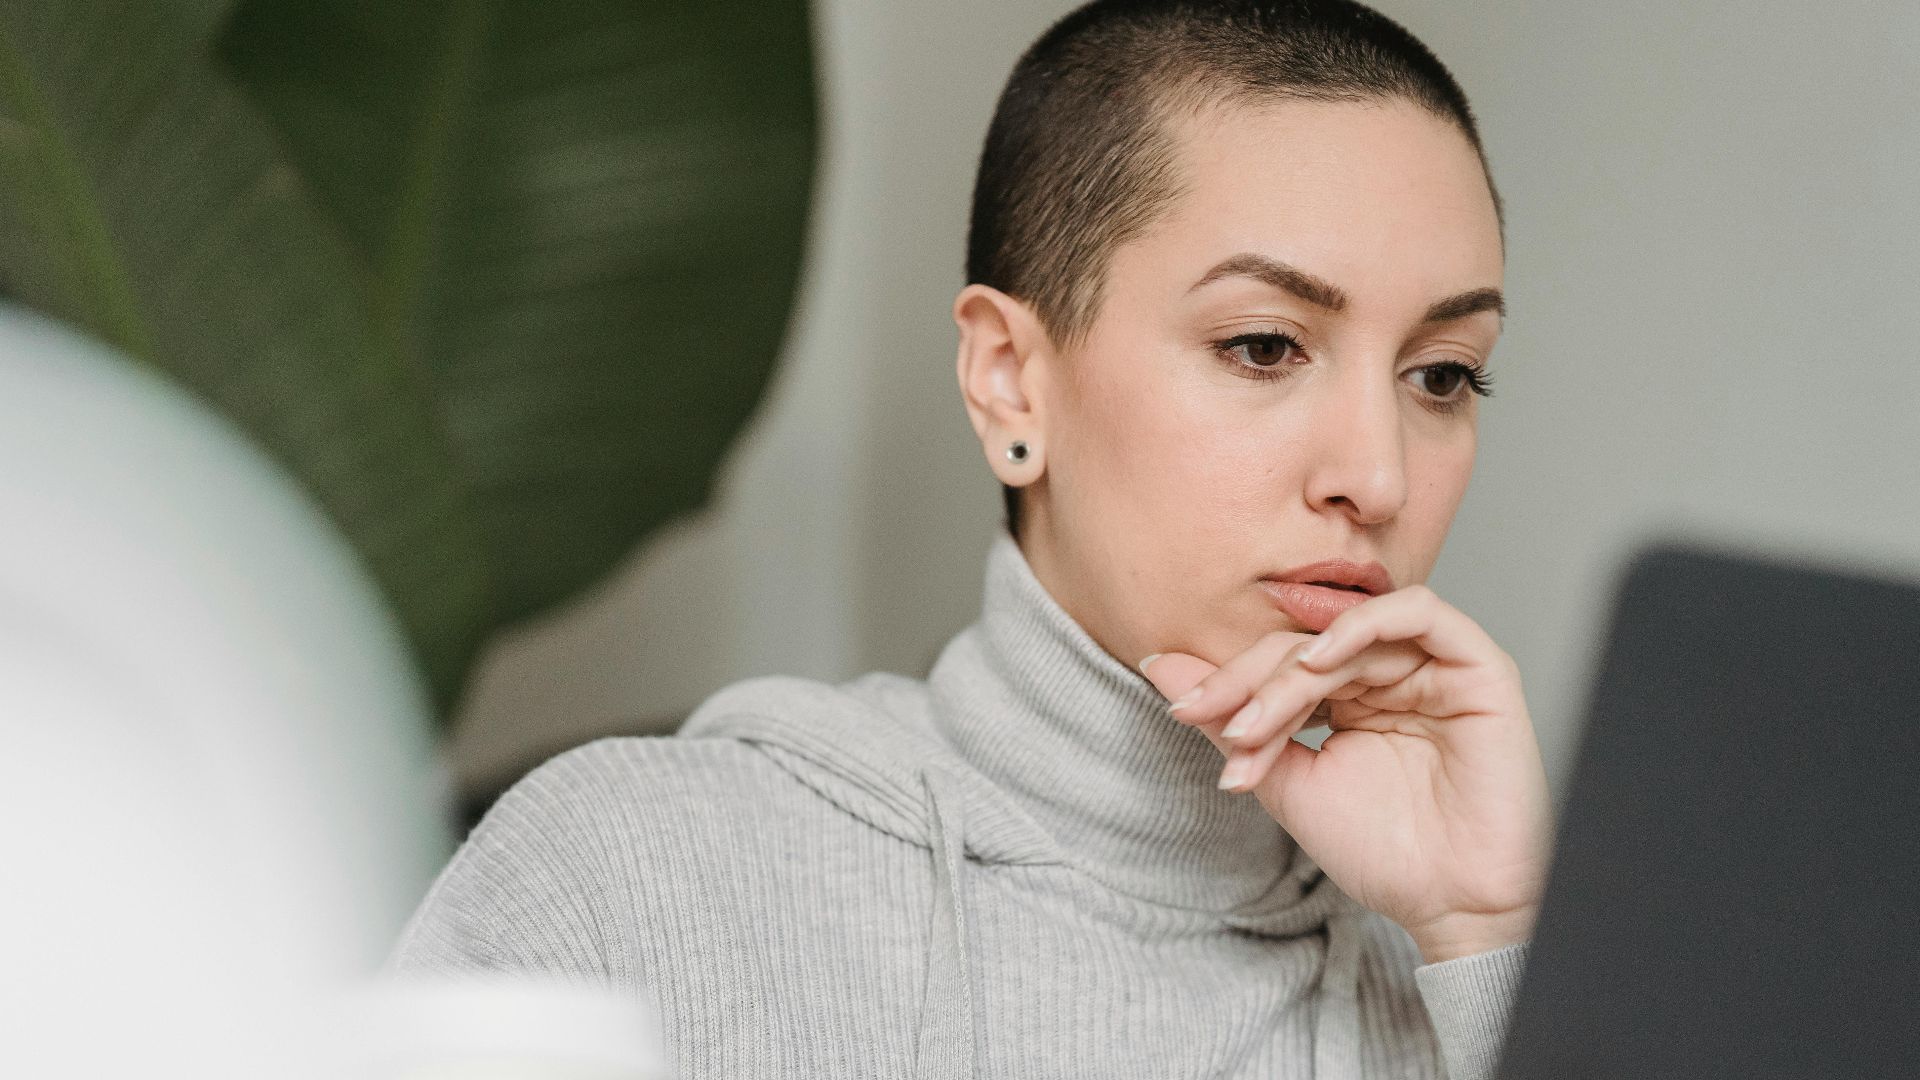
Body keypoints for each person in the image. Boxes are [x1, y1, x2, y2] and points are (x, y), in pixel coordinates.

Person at [390, 1, 1554, 1077]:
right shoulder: (632, 877)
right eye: (1263, 345)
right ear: (1010, 383)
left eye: (1443, 375)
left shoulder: (1466, 980)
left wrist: (1494, 937)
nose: (1378, 474)